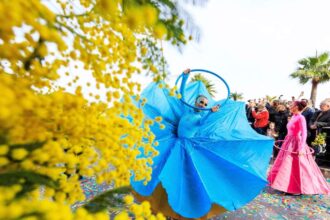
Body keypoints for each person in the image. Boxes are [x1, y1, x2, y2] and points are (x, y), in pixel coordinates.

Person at [131, 68, 274, 219]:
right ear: (196, 102)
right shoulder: (187, 109)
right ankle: (162, 204)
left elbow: (204, 120)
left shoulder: (201, 117)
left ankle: (182, 207)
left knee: (184, 176)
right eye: (201, 102)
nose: (202, 104)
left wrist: (211, 112)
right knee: (164, 170)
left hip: (187, 148)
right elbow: (182, 94)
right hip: (173, 142)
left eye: (205, 103)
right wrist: (185, 77)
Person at [268, 101, 330, 195]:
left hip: (296, 143)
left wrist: (300, 148)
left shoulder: (301, 118)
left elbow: (304, 133)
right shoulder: (293, 116)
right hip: (288, 142)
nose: (290, 106)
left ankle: (296, 188)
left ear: (296, 107)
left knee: (295, 165)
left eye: (292, 105)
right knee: (286, 164)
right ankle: (284, 185)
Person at [310, 98, 330, 166]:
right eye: (320, 105)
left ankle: (318, 163)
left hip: (322, 134)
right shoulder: (317, 112)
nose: (320, 107)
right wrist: (311, 125)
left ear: (328, 106)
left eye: (322, 105)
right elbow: (311, 120)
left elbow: (328, 123)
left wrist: (318, 124)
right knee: (312, 147)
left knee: (320, 149)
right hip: (312, 132)